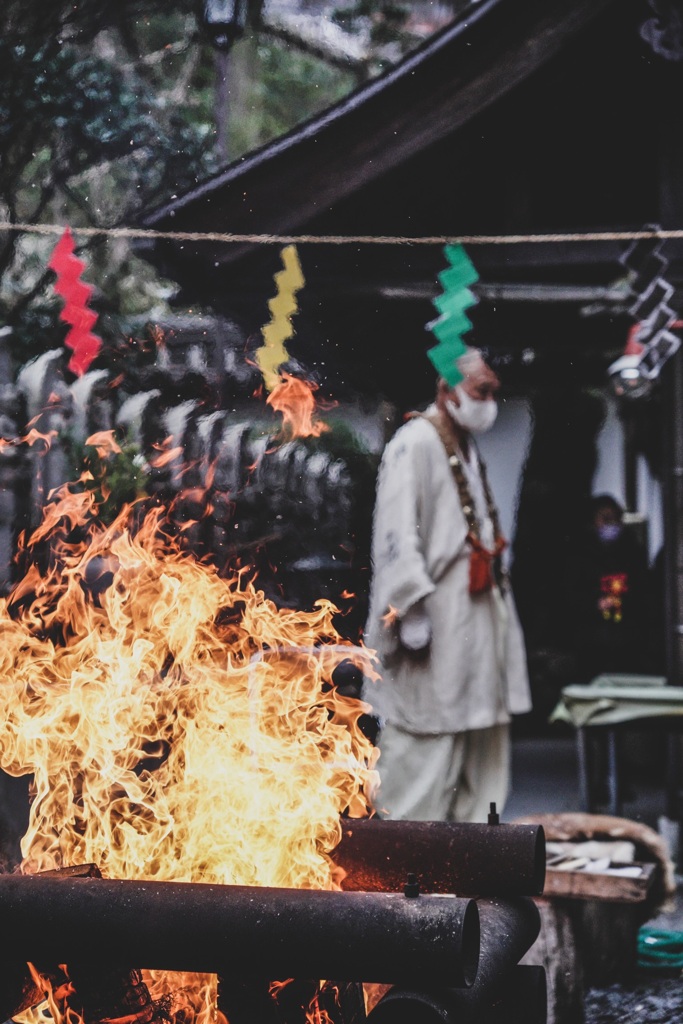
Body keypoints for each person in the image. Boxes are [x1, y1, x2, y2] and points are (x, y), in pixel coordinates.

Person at [364, 348, 531, 822]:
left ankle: (471, 876)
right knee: (422, 757)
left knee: (481, 758)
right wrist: (412, 618)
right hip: (434, 628)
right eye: (482, 391)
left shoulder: (462, 444)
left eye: (494, 391)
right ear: (445, 390)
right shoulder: (414, 443)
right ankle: (399, 885)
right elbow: (394, 538)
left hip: (474, 625)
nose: (490, 402)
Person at [567, 493, 651, 681]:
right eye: (605, 519)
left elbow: (644, 593)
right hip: (591, 643)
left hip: (628, 642)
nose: (611, 525)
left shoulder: (632, 552)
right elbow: (571, 596)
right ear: (593, 521)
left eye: (615, 519)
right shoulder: (580, 556)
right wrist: (595, 604)